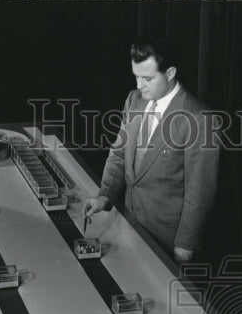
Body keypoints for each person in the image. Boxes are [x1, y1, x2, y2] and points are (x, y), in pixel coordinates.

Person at [84, 36, 219, 262]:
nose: (139, 86)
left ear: (170, 73)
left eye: (147, 78)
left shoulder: (200, 119)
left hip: (166, 238)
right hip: (128, 225)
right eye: (136, 77)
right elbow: (119, 154)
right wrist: (104, 195)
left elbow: (200, 193)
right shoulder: (134, 99)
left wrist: (184, 245)